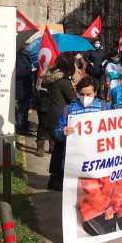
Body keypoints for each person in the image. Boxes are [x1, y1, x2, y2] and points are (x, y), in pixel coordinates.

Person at [51, 76, 110, 191]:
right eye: (82, 94)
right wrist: (63, 132)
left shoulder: (104, 108)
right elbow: (57, 133)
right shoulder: (69, 109)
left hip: (97, 161)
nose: (85, 97)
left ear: (96, 93)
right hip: (74, 162)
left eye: (89, 94)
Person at [42, 52, 78, 190]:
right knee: (61, 150)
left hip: (53, 116)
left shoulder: (52, 79)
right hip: (62, 118)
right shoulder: (63, 81)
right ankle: (57, 179)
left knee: (58, 149)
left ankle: (55, 177)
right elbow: (73, 99)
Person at [15, 45, 34, 136]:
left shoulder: (24, 56)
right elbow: (19, 72)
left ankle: (24, 126)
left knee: (26, 108)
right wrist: (31, 70)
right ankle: (20, 127)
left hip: (26, 86)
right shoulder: (19, 57)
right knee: (22, 108)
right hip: (21, 87)